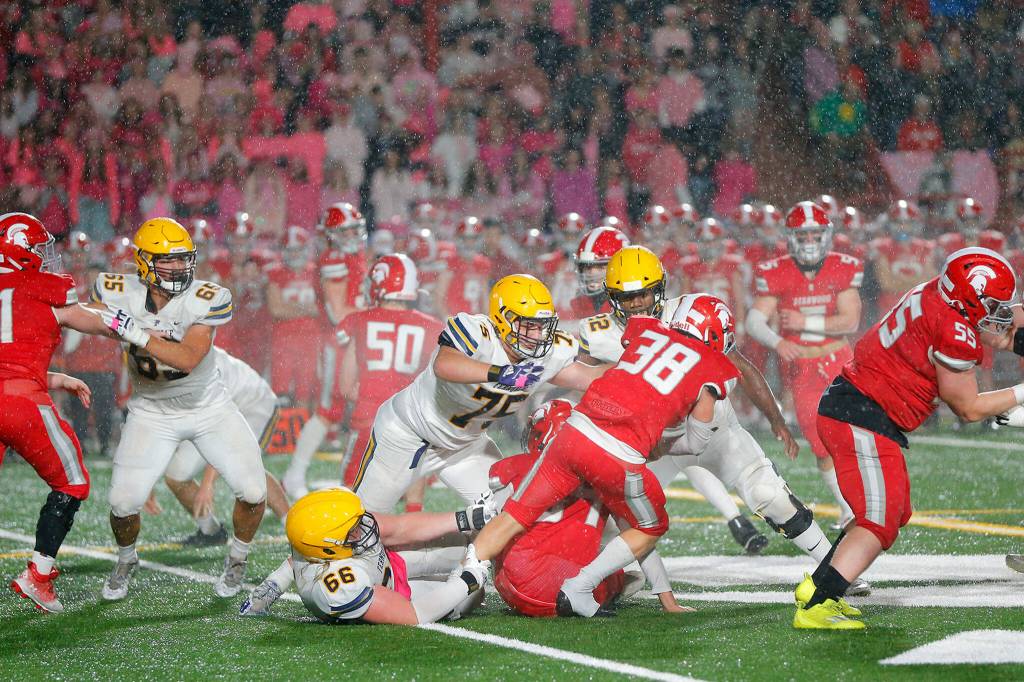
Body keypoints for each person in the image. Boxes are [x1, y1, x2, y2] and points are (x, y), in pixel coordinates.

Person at [469, 295, 740, 618]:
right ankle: (581, 586)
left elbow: (626, 373)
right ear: (715, 332)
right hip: (616, 454)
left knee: (512, 516)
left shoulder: (646, 331)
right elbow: (696, 441)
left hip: (575, 431)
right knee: (650, 525)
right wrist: (660, 446)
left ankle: (461, 581)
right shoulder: (714, 366)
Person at [795, 247, 1024, 629]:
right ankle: (819, 604)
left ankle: (819, 581)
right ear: (971, 299)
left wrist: (1008, 329)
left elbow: (1001, 323)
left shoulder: (936, 292)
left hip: (860, 408)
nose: (1001, 313)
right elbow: (966, 407)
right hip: (862, 415)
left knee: (893, 512)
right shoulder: (954, 330)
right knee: (879, 520)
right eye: (994, 305)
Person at [90, 218, 267, 601]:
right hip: (151, 410)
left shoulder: (207, 296)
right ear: (142, 262)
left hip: (208, 406)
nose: (178, 268)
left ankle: (237, 557)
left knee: (253, 491)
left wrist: (134, 331)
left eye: (183, 260)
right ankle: (126, 558)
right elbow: (85, 313)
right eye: (166, 261)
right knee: (122, 503)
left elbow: (187, 357)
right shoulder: (117, 290)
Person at [580, 246, 783, 553]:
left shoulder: (687, 314)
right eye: (626, 296)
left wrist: (774, 417)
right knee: (619, 514)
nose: (635, 304)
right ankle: (606, 571)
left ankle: (739, 519)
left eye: (644, 294)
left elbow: (737, 364)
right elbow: (576, 377)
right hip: (639, 439)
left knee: (691, 459)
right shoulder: (595, 331)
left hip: (689, 422)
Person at [350, 273, 606, 514]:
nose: (537, 335)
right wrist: (501, 373)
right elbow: (444, 365)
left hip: (465, 446)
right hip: (409, 434)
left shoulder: (548, 353)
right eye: (528, 326)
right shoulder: (477, 332)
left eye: (542, 326)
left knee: (509, 514)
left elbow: (591, 377)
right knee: (363, 524)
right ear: (503, 319)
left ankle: (461, 561)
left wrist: (641, 358)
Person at [0, 212, 126, 613]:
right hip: (19, 402)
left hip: (11, 388)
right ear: (20, 248)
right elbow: (91, 320)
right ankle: (38, 576)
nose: (44, 256)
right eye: (37, 248)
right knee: (72, 480)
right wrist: (138, 329)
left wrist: (56, 377)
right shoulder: (37, 285)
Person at [747, 201, 863, 529]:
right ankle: (847, 507)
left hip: (840, 360)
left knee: (853, 435)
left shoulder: (842, 266)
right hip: (804, 368)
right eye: (804, 234)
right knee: (819, 442)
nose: (810, 241)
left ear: (826, 235)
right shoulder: (777, 270)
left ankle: (862, 501)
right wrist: (779, 341)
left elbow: (850, 321)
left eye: (816, 234)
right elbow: (755, 321)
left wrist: (803, 322)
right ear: (791, 237)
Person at [240, 487, 494, 623]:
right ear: (328, 550)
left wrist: (466, 518)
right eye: (352, 530)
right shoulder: (338, 586)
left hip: (389, 563)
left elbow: (399, 529)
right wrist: (468, 579)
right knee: (469, 595)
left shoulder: (314, 538)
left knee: (468, 542)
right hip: (393, 593)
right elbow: (415, 614)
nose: (365, 528)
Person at [490, 399, 631, 617]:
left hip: (514, 583)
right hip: (574, 587)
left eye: (537, 434)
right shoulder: (603, 473)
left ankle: (460, 580)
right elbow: (642, 533)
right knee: (616, 566)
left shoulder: (515, 466)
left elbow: (493, 526)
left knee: (492, 533)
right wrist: (665, 594)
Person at [325, 254, 445, 487]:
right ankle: (412, 513)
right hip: (410, 423)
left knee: (351, 490)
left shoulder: (358, 320)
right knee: (406, 484)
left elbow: (346, 387)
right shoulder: (432, 327)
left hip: (368, 417)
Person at [162, 346, 290, 546]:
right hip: (215, 413)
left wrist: (207, 484)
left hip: (254, 405)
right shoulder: (168, 362)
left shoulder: (206, 368)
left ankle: (291, 523)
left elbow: (223, 432)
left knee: (244, 466)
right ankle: (211, 531)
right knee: (176, 474)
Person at [282, 202, 368, 498]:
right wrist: (376, 311)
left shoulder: (351, 255)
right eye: (346, 231)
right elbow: (338, 312)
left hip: (355, 339)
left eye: (355, 229)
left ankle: (362, 474)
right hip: (340, 341)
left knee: (367, 406)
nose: (353, 236)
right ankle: (294, 474)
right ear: (332, 234)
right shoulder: (333, 258)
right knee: (329, 410)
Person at [568, 225, 630, 320]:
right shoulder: (579, 305)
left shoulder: (632, 305)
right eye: (587, 267)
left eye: (600, 267)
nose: (591, 274)